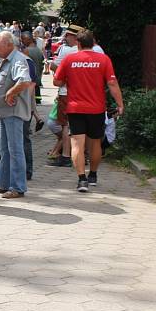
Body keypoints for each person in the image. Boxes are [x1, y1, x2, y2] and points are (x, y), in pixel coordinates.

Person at [53, 29, 124, 192]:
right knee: (95, 143)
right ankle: (93, 175)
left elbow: (56, 81)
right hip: (97, 108)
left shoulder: (70, 59)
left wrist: (67, 80)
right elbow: (112, 84)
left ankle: (81, 180)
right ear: (93, 43)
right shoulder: (103, 59)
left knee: (77, 144)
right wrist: (120, 104)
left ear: (78, 43)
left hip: (75, 108)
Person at [0, 32, 33, 198]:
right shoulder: (5, 59)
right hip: (3, 112)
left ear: (9, 45)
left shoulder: (18, 60)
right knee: (4, 149)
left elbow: (24, 81)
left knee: (15, 150)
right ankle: (2, 184)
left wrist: (11, 92)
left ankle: (18, 187)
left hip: (13, 112)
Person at [47, 26, 81, 168]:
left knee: (66, 125)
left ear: (72, 36)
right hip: (82, 94)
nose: (65, 38)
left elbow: (56, 68)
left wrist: (56, 69)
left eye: (67, 35)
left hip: (66, 93)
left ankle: (66, 156)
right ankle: (80, 155)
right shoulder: (95, 50)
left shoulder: (66, 50)